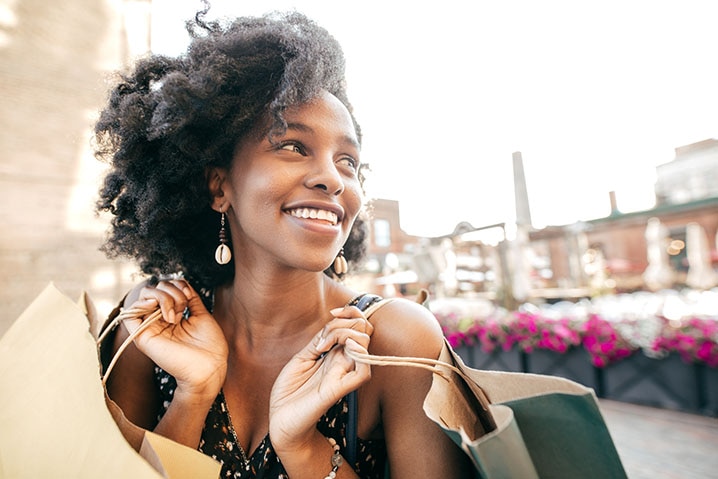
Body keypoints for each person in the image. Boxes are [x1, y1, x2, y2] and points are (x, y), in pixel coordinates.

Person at [94, 5, 472, 478]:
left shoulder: (392, 340)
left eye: (348, 161)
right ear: (219, 187)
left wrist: (303, 446)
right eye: (294, 146)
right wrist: (192, 397)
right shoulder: (154, 323)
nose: (332, 179)